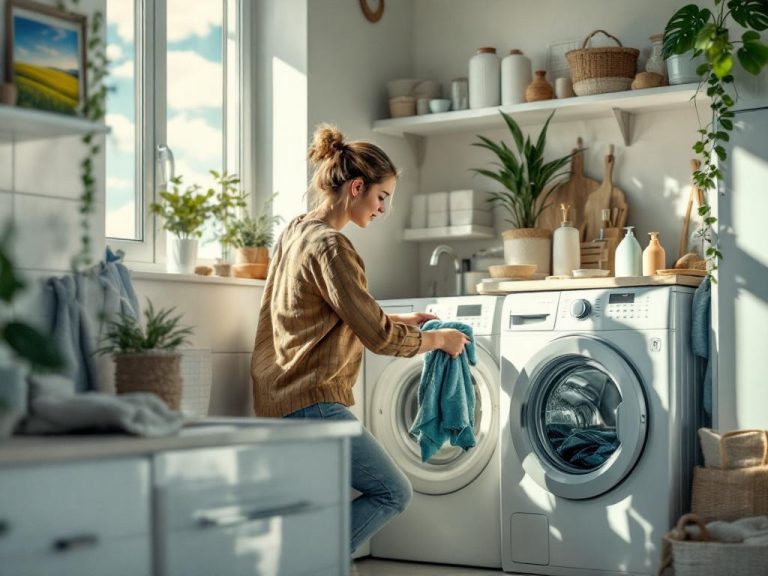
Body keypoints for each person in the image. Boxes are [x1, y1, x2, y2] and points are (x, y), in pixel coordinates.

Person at [250, 123, 469, 553]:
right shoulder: (333, 247)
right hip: (311, 400)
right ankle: (307, 564)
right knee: (393, 492)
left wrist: (404, 317)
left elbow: (331, 313)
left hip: (278, 396)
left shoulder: (297, 230)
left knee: (309, 507)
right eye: (382, 197)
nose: (383, 209)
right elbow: (380, 340)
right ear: (356, 187)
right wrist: (440, 340)